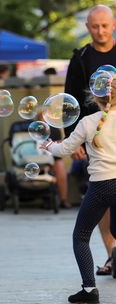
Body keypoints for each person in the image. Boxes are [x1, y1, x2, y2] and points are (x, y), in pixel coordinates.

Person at [40, 81, 116, 303]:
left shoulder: (88, 122)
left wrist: (47, 146)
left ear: (95, 98)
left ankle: (90, 289)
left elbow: (64, 149)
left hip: (101, 185)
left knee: (81, 237)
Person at [64, 4, 116, 276]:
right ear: (88, 28)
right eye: (95, 26)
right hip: (93, 138)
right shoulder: (81, 57)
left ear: (113, 24)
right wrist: (73, 141)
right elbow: (69, 99)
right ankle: (111, 254)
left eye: (105, 25)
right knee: (102, 194)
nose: (100, 31)